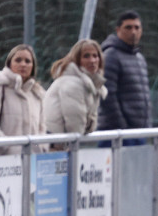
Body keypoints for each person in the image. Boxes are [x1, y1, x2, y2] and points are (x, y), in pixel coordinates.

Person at [0, 44, 46, 155]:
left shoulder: (37, 94)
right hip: (1, 164)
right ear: (9, 64)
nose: (23, 64)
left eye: (27, 61)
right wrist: (6, 147)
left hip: (32, 164)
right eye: (18, 60)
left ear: (33, 66)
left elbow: (42, 129)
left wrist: (39, 148)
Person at [97, 10, 151, 146]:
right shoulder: (111, 56)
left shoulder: (139, 58)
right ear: (118, 30)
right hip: (118, 134)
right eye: (128, 27)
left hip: (139, 133)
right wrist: (121, 127)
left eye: (137, 27)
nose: (133, 31)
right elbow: (107, 95)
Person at [43, 39, 107, 135]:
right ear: (77, 60)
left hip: (62, 142)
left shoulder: (91, 84)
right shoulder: (72, 83)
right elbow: (75, 126)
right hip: (56, 144)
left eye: (95, 56)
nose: (92, 60)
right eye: (86, 56)